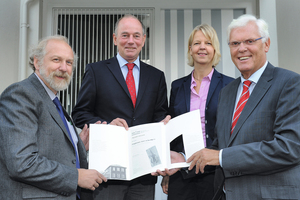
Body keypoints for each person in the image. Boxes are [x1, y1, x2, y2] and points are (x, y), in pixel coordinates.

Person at [185, 14, 300, 200]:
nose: (242, 49)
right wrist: (182, 159)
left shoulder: (290, 83)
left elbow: (288, 148)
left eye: (249, 41)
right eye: (235, 43)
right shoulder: (227, 91)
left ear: (267, 44)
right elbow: (219, 146)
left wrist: (222, 157)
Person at [71, 14, 169, 200]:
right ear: (115, 39)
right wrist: (107, 125)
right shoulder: (96, 70)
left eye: (136, 35)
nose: (130, 41)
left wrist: (164, 125)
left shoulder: (156, 76)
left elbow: (160, 114)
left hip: (144, 174)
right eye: (125, 35)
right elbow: (80, 114)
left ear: (143, 40)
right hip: (107, 174)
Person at [0, 35, 107, 200]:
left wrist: (77, 147)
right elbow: (21, 163)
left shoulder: (53, 100)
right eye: (56, 60)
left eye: (69, 62)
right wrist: (76, 176)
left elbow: (49, 147)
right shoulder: (21, 94)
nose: (64, 68)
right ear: (37, 62)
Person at [160, 24, 234, 200]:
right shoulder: (177, 86)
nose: (202, 47)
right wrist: (167, 172)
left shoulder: (229, 85)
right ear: (190, 50)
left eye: (208, 43)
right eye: (197, 43)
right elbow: (173, 129)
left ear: (214, 49)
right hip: (182, 170)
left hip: (215, 171)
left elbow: (231, 131)